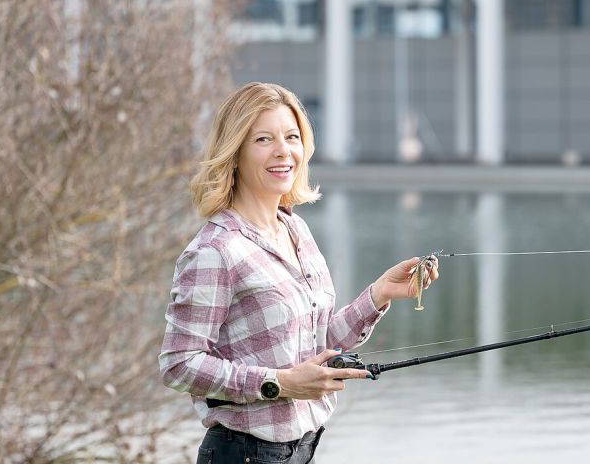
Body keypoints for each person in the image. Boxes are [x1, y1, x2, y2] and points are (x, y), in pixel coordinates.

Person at [159, 82, 438, 463]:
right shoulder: (215, 251)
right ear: (235, 153)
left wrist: (379, 295)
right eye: (263, 139)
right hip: (242, 454)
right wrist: (280, 383)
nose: (283, 150)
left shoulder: (296, 230)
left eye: (291, 137)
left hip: (305, 449)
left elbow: (316, 343)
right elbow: (179, 365)